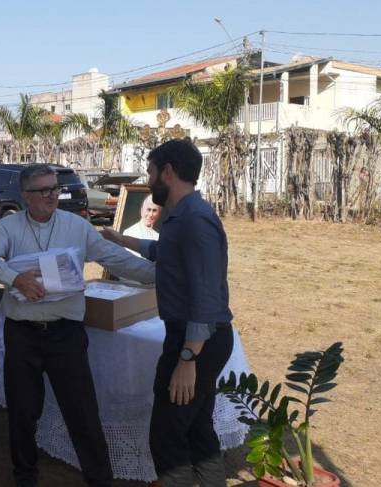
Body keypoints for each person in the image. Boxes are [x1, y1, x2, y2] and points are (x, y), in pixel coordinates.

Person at [0, 164, 155, 487]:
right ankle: (25, 476)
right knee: (23, 414)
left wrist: (160, 275)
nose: (53, 195)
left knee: (82, 411)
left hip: (64, 335)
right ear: (25, 196)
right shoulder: (8, 227)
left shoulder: (76, 226)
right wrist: (15, 279)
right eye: (43, 190)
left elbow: (114, 257)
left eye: (55, 188)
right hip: (22, 334)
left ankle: (99, 479)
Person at [102, 139, 234, 487]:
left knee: (167, 436)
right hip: (197, 338)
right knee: (197, 430)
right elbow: (168, 253)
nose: (148, 180)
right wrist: (121, 240)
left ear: (168, 172)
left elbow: (205, 297)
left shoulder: (195, 220)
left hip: (198, 341)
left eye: (150, 172)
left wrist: (188, 359)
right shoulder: (182, 216)